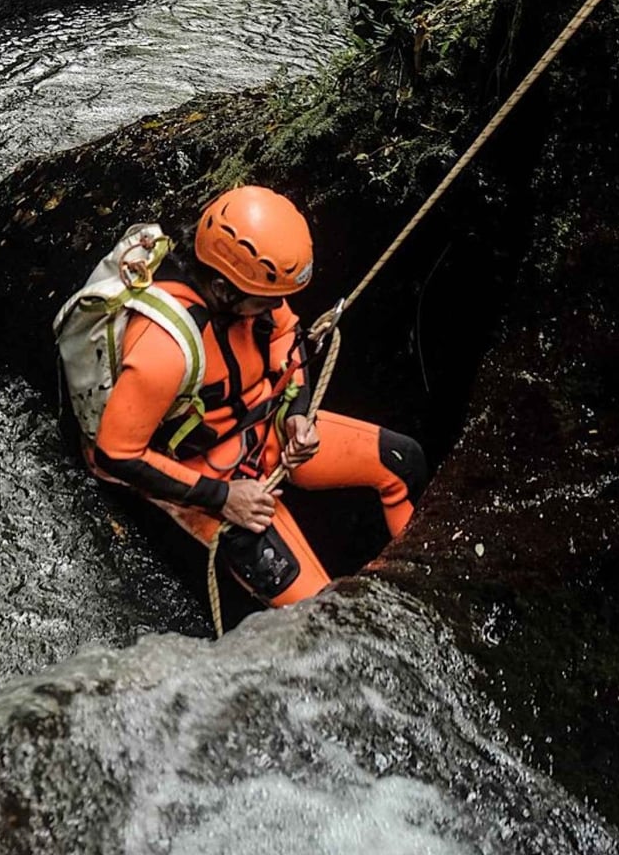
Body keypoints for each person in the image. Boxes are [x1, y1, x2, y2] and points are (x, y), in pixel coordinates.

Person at [89, 185, 427, 607]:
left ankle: (423, 593)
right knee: (324, 616)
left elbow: (288, 335)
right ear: (224, 290)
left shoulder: (249, 296)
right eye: (266, 299)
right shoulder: (164, 349)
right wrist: (225, 498)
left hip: (264, 433)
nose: (277, 306)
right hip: (201, 475)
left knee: (403, 461)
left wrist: (297, 415)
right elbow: (115, 455)